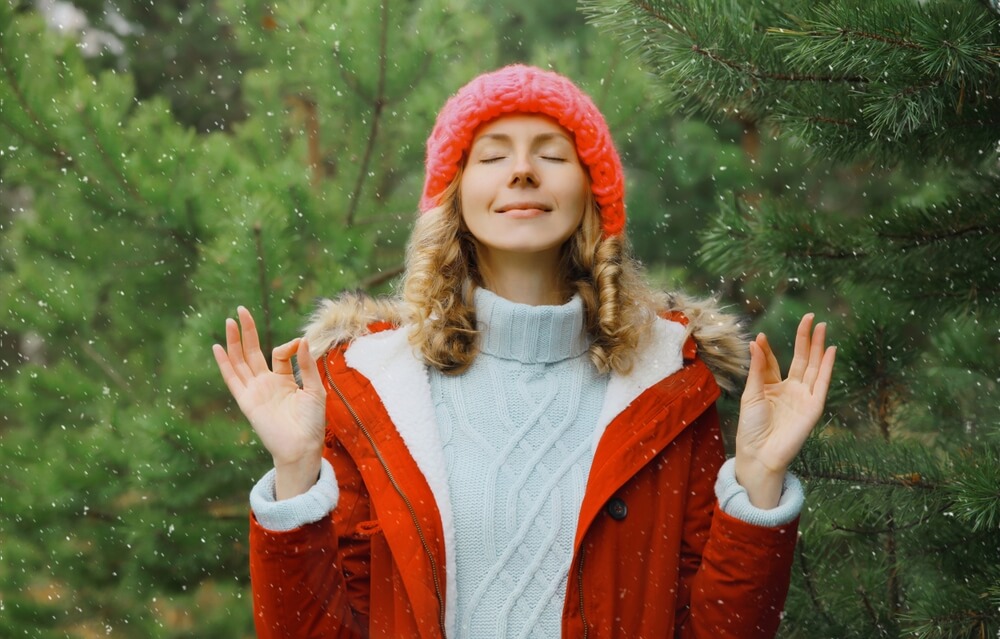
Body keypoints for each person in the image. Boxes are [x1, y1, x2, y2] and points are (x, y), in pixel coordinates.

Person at [213, 64, 836, 639]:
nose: (522, 171)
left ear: (590, 191)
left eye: (551, 153)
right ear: (454, 195)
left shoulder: (667, 384)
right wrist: (296, 476)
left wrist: (757, 483)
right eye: (492, 155)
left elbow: (717, 630)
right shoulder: (373, 389)